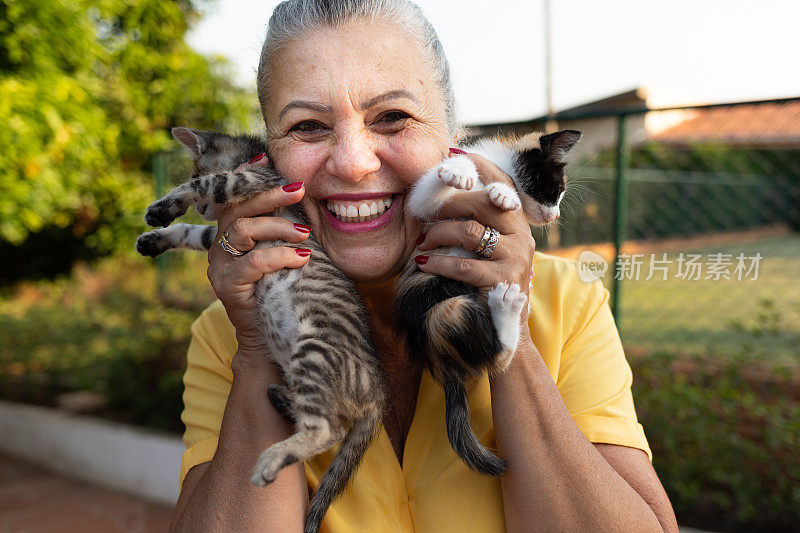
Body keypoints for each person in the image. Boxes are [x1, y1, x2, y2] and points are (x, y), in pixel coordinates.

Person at [169, 1, 678, 531]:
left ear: (451, 139)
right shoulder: (229, 333)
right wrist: (259, 351)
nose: (353, 161)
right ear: (267, 155)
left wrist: (512, 338)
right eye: (308, 126)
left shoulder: (562, 302)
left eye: (393, 117)